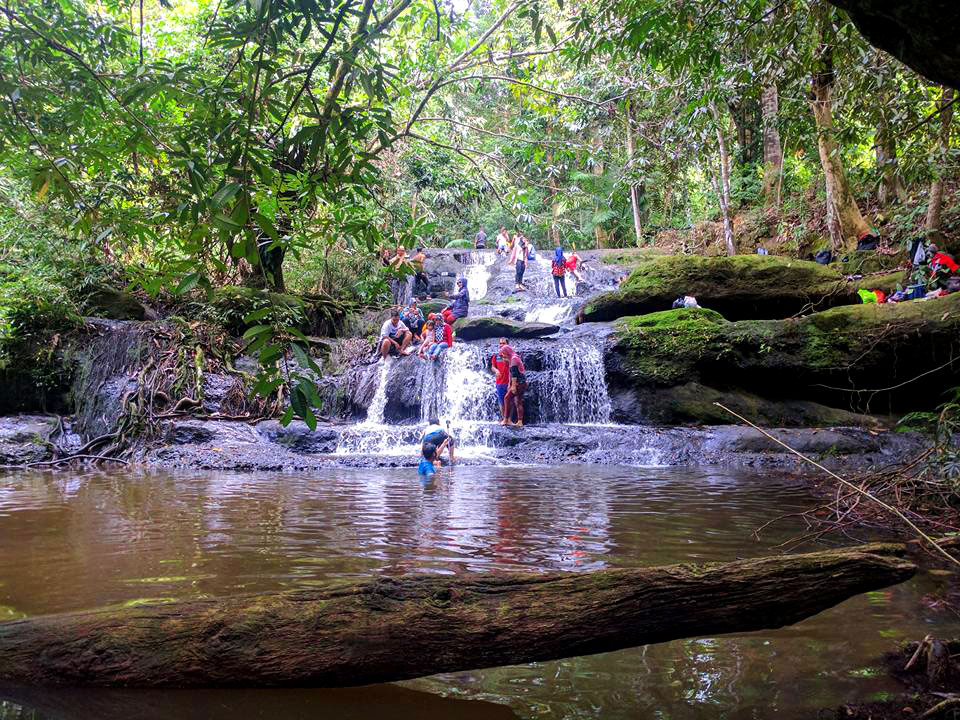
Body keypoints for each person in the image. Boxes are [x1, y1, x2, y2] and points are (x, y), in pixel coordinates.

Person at [499, 344, 527, 427]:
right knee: (518, 401)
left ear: (506, 352)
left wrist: (513, 386)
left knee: (507, 398)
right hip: (522, 383)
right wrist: (509, 384)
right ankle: (520, 421)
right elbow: (512, 374)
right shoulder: (514, 357)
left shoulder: (513, 360)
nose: (503, 356)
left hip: (518, 383)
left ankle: (506, 419)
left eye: (503, 354)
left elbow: (514, 374)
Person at [489, 338, 510, 420]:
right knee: (501, 402)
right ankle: (504, 418)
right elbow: (493, 367)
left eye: (503, 343)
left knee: (510, 401)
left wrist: (506, 359)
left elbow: (515, 365)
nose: (501, 345)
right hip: (500, 382)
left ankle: (509, 419)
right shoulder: (496, 355)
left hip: (509, 382)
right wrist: (496, 370)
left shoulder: (511, 354)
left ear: (507, 344)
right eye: (500, 343)